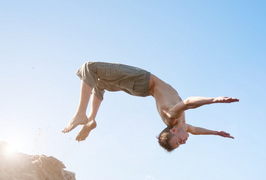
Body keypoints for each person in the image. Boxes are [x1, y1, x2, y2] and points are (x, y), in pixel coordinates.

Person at [62, 61, 239, 151]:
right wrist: (216, 133)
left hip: (142, 80)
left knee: (89, 68)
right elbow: (196, 130)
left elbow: (188, 103)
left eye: (178, 142)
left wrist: (214, 100)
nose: (183, 142)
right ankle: (90, 119)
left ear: (172, 131)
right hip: (140, 88)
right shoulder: (183, 126)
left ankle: (81, 114)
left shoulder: (172, 117)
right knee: (98, 83)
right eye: (180, 144)